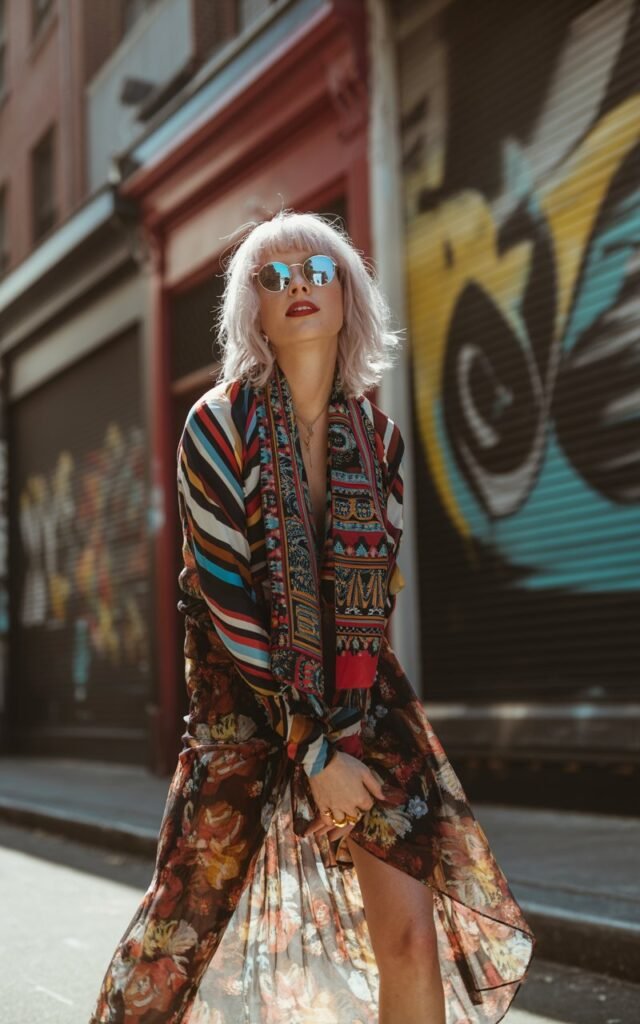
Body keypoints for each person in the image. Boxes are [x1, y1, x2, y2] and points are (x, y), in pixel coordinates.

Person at [89, 210, 534, 1024]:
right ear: (251, 308)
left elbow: (367, 609)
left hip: (363, 700)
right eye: (274, 275)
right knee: (177, 940)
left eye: (318, 271)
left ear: (348, 294)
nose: (298, 284)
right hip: (245, 701)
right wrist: (311, 748)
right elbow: (230, 604)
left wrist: (344, 734)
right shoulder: (216, 426)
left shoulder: (382, 443)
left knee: (410, 937)